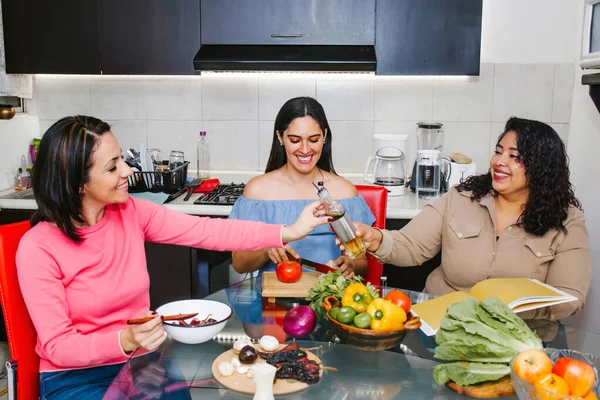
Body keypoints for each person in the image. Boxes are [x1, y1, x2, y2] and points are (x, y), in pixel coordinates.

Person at [16, 115, 329, 400]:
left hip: (141, 365)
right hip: (76, 379)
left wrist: (289, 230)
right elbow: (58, 346)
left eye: (122, 159)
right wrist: (124, 340)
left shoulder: (130, 213)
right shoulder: (38, 247)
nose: (129, 171)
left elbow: (209, 232)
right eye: (113, 167)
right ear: (78, 184)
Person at [349, 117, 591, 321]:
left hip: (516, 340)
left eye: (514, 156)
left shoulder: (566, 221)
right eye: (498, 151)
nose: (499, 161)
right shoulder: (462, 198)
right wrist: (376, 239)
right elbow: (412, 245)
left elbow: (570, 297)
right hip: (442, 326)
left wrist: (508, 309)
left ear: (542, 167)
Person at [230, 97, 375, 278]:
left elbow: (362, 262)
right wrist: (266, 248)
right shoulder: (257, 191)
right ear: (280, 137)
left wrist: (351, 264)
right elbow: (239, 264)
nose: (305, 149)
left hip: (333, 301)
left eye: (313, 139)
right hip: (274, 299)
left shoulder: (345, 191)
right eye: (295, 140)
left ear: (324, 136)